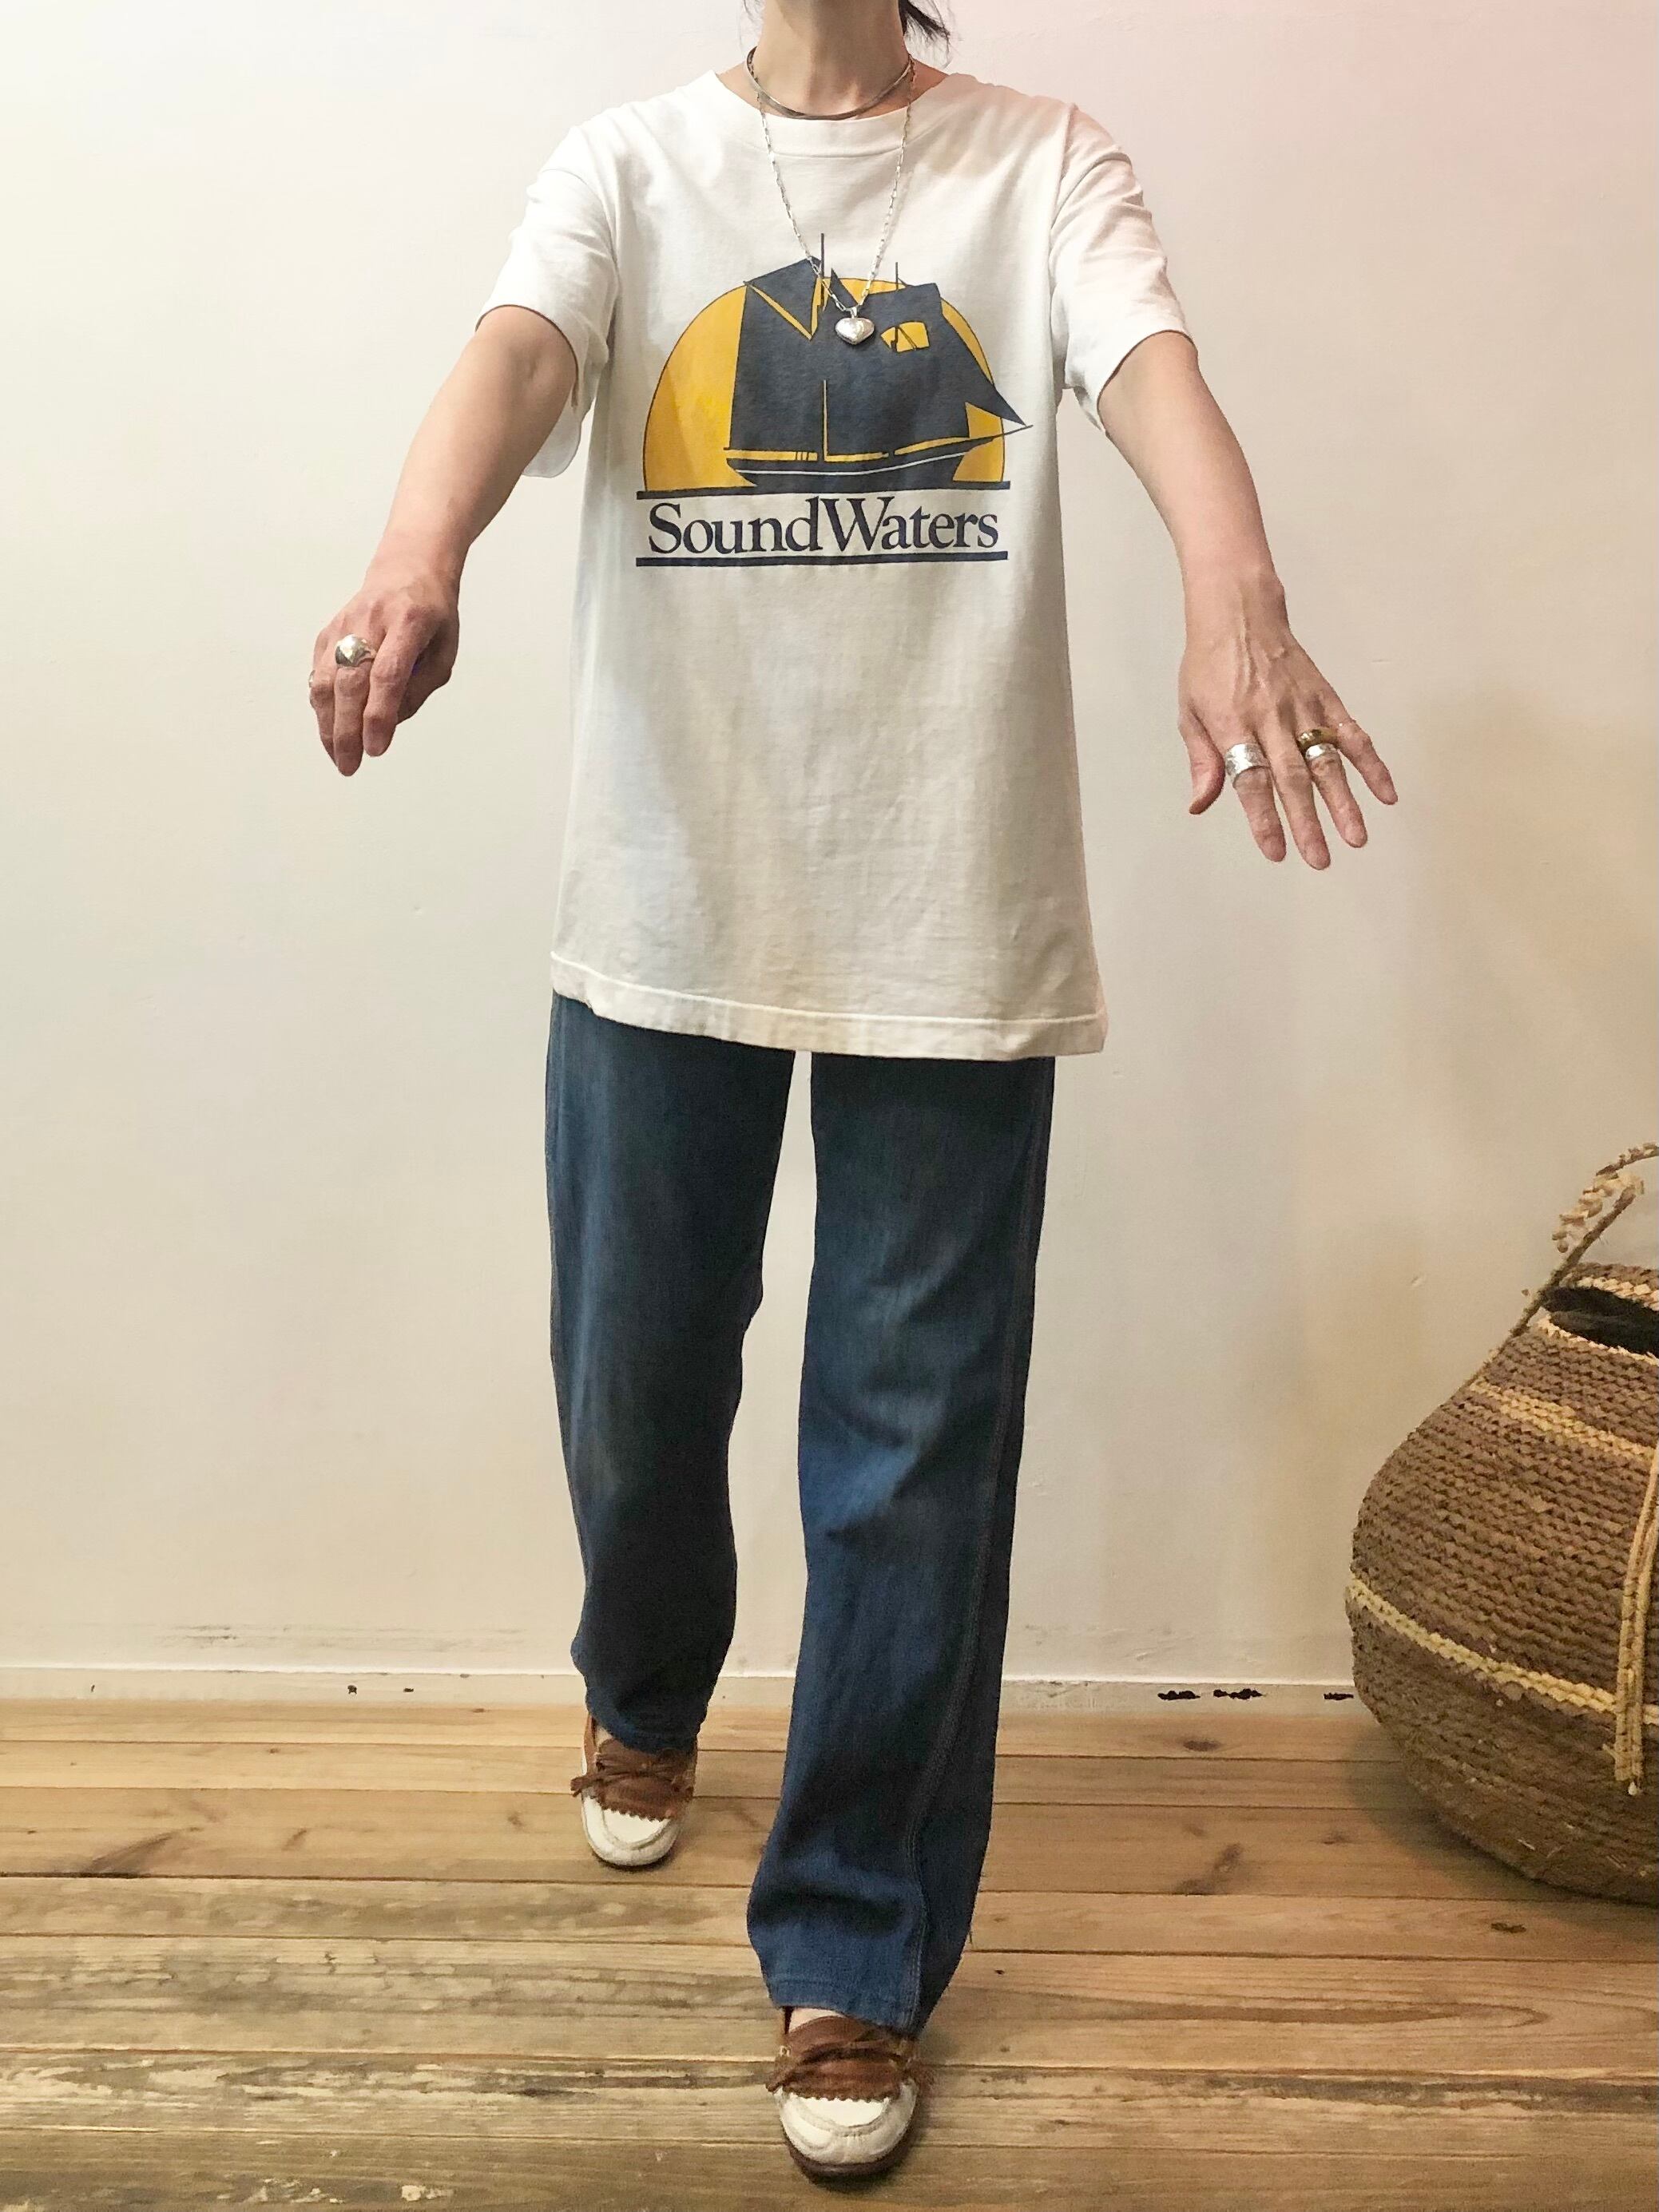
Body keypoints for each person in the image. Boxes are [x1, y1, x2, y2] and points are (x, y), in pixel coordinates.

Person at [308, 0, 1397, 2184]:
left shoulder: (1042, 161)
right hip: (666, 887)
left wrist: (1235, 586)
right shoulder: (629, 167)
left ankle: (854, 1943)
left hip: (950, 907)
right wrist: (421, 552)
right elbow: (517, 351)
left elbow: (1148, 369)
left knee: (912, 1452)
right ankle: (645, 1678)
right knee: (633, 1378)